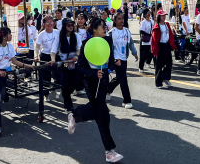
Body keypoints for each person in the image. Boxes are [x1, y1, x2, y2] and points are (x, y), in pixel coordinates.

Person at [67, 18, 123, 163]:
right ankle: (109, 151)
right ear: (93, 29)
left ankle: (75, 114)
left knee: (99, 112)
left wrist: (114, 63)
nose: (105, 28)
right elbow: (80, 68)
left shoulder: (108, 41)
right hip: (91, 82)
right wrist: (94, 74)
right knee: (102, 114)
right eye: (102, 26)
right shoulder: (86, 44)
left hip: (103, 80)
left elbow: (109, 61)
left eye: (105, 26)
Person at [0, 27, 34, 134]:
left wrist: (26, 65)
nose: (11, 35)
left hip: (4, 74)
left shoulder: (10, 46)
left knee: (0, 97)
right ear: (4, 36)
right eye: (9, 34)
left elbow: (14, 61)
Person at [106, 13, 138, 108]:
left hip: (124, 58)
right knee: (123, 79)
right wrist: (115, 59)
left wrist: (134, 53)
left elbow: (131, 43)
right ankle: (127, 101)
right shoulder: (112, 32)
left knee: (119, 78)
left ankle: (108, 90)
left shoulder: (126, 31)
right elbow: (109, 48)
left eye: (122, 18)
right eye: (119, 19)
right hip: (116, 58)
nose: (121, 20)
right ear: (115, 21)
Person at [50, 18, 82, 111]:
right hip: (63, 64)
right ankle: (68, 105)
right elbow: (53, 51)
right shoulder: (59, 37)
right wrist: (53, 60)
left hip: (73, 63)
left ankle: (65, 94)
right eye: (68, 25)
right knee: (65, 85)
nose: (71, 27)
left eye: (72, 25)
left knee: (74, 84)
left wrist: (76, 55)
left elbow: (79, 48)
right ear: (64, 27)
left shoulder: (76, 36)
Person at [152, 10, 177, 89]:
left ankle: (166, 78)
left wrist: (173, 45)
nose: (164, 16)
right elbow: (154, 39)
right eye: (162, 15)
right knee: (159, 65)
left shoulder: (167, 24)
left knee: (169, 63)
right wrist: (155, 49)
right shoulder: (156, 27)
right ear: (159, 16)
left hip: (166, 45)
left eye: (165, 15)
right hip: (160, 46)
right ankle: (158, 82)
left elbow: (170, 35)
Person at [138, 9, 154, 73]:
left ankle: (148, 62)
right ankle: (141, 67)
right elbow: (141, 31)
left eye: (149, 13)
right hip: (145, 41)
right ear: (145, 14)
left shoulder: (152, 21)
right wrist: (148, 34)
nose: (149, 14)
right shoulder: (143, 22)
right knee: (143, 55)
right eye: (147, 13)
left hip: (151, 40)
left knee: (150, 53)